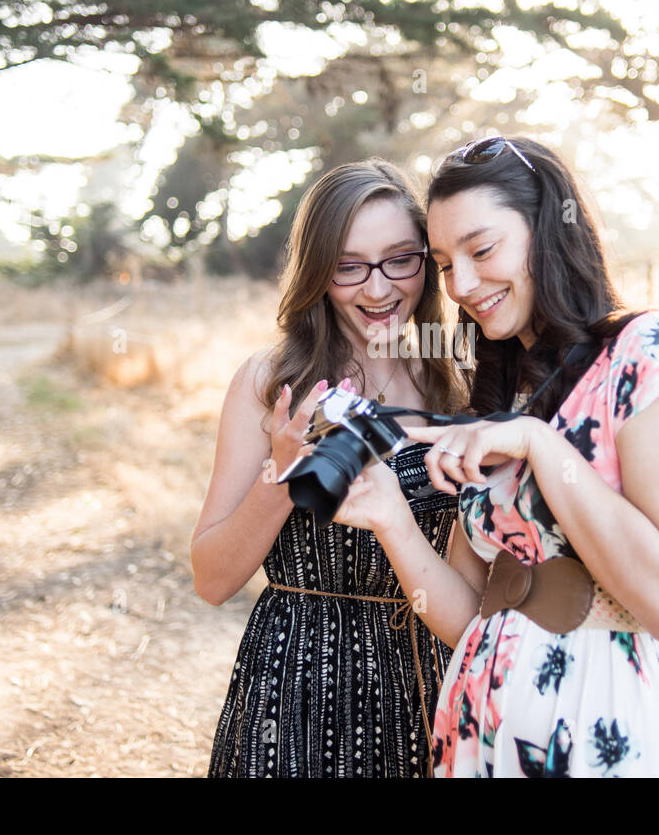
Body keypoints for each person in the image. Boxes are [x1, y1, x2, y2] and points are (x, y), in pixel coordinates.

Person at [329, 136, 659, 777]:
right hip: (483, 729)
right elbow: (467, 617)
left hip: (601, 728)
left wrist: (539, 442)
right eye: (446, 264)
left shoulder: (644, 351)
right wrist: (392, 521)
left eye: (482, 250)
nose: (463, 284)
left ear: (547, 228)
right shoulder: (499, 390)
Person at [191, 159, 466, 777]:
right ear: (318, 270)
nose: (378, 289)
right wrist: (283, 478)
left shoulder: (462, 385)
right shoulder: (270, 383)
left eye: (401, 258)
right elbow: (211, 579)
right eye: (349, 266)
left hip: (430, 686)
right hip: (296, 691)